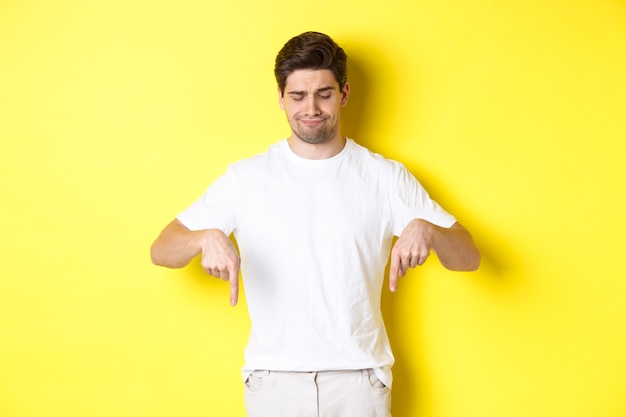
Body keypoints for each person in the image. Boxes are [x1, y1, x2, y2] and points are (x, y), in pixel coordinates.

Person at [151, 31, 480, 417]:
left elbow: (468, 257)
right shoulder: (246, 179)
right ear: (280, 98)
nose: (311, 108)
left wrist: (429, 229)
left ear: (343, 94)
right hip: (273, 380)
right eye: (297, 96)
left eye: (323, 94)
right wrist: (204, 238)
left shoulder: (385, 177)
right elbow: (162, 250)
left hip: (359, 379)